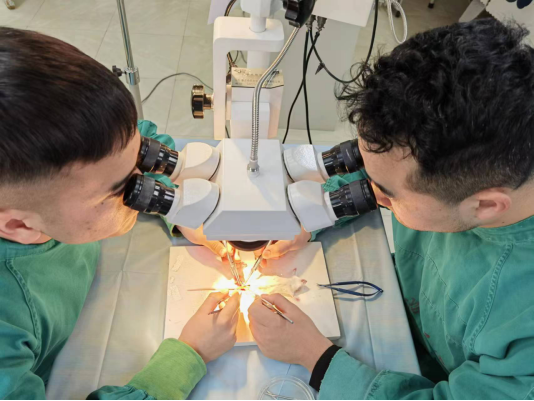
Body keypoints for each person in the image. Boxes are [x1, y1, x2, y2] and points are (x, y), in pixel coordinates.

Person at [249, 18, 534, 400]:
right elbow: (387, 170)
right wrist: (311, 216)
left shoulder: (523, 326)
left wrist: (315, 358)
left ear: (485, 205)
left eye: (387, 193)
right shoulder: (487, 159)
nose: (373, 190)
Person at [0, 27, 241, 399]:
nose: (144, 180)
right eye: (125, 189)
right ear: (18, 224)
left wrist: (183, 208)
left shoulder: (55, 181)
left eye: (141, 160)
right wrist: (188, 355)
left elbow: (128, 147)